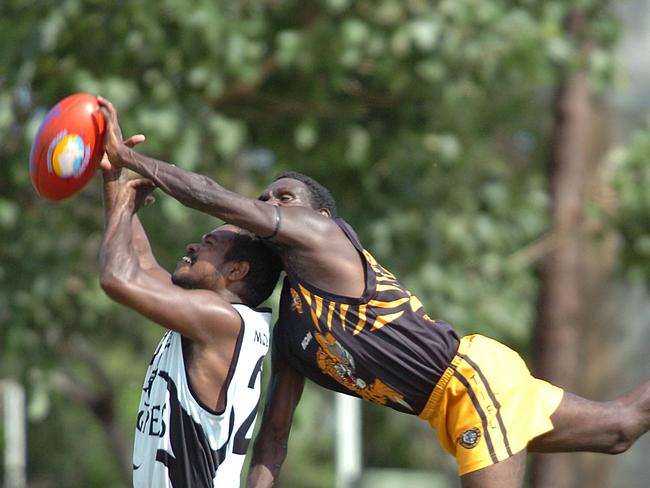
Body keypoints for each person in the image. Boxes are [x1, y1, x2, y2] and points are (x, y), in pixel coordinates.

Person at [98, 97, 650, 488]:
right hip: (459, 396)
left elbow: (216, 197)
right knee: (621, 428)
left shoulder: (326, 239)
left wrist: (131, 159)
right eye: (267, 195)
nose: (271, 201)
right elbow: (275, 433)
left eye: (283, 195)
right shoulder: (292, 327)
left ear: (316, 214)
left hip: (469, 385)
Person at [98, 138, 282, 488]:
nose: (192, 246)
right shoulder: (219, 319)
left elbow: (116, 278)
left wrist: (123, 209)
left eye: (209, 245)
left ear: (237, 271)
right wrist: (113, 178)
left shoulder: (219, 319)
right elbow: (140, 265)